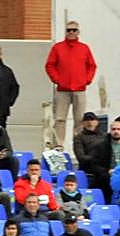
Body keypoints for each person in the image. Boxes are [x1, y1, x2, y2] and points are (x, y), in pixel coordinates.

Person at [45, 21, 96, 151]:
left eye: (74, 30)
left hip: (80, 89)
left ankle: (78, 146)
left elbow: (92, 66)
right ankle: (59, 145)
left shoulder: (84, 48)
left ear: (78, 32)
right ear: (65, 32)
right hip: (62, 90)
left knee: (80, 120)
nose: (71, 32)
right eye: (68, 30)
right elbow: (50, 65)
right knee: (60, 119)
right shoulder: (57, 48)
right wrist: (57, 80)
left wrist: (87, 80)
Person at [74, 112, 110, 200]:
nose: (89, 122)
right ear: (83, 123)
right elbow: (81, 157)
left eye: (92, 120)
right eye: (87, 120)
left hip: (104, 171)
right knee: (90, 197)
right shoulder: (79, 137)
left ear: (97, 122)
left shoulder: (105, 136)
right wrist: (96, 158)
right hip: (89, 171)